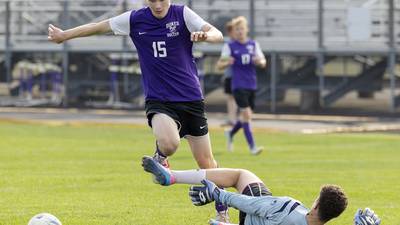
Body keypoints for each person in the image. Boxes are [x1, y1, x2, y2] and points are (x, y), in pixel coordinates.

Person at [47, 0, 229, 222]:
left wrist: (206, 36)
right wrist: (64, 35)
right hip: (159, 99)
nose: (158, 5)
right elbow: (98, 27)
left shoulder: (182, 14)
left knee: (207, 164)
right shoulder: (134, 19)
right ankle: (161, 156)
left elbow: (217, 34)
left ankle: (223, 214)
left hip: (191, 99)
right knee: (170, 143)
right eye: (152, 0)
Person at [142, 155, 348, 225]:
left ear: (317, 204)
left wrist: (218, 194)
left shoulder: (290, 209)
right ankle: (223, 217)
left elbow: (251, 204)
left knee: (239, 175)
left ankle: (172, 176)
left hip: (254, 211)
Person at [216, 16, 266, 155]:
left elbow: (263, 61)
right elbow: (220, 64)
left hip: (251, 85)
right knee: (247, 114)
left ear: (247, 30)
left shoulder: (253, 45)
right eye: (237, 29)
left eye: (242, 29)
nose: (239, 32)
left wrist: (260, 62)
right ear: (234, 31)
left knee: (246, 117)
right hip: (238, 85)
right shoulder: (229, 47)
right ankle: (252, 147)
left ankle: (231, 133)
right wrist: (227, 62)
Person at [217, 20, 238, 128]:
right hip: (231, 76)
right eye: (235, 30)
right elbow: (222, 61)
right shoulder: (228, 46)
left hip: (241, 77)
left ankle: (235, 119)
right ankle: (232, 119)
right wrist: (227, 61)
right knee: (231, 98)